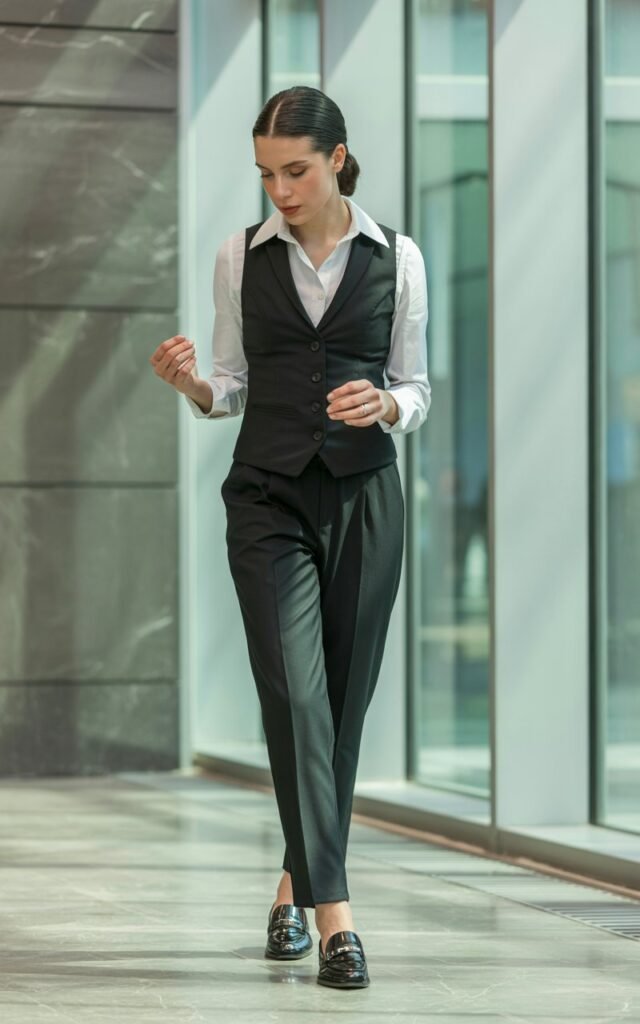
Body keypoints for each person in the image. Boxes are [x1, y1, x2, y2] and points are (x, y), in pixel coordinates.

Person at [150, 86, 431, 990]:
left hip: (364, 500)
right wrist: (193, 384)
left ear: (337, 158)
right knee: (296, 697)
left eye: (296, 171)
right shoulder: (240, 256)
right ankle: (337, 916)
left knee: (340, 710)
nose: (280, 190)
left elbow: (416, 387)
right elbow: (229, 383)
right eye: (267, 173)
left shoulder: (400, 258)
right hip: (267, 499)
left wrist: (387, 405)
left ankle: (288, 889)